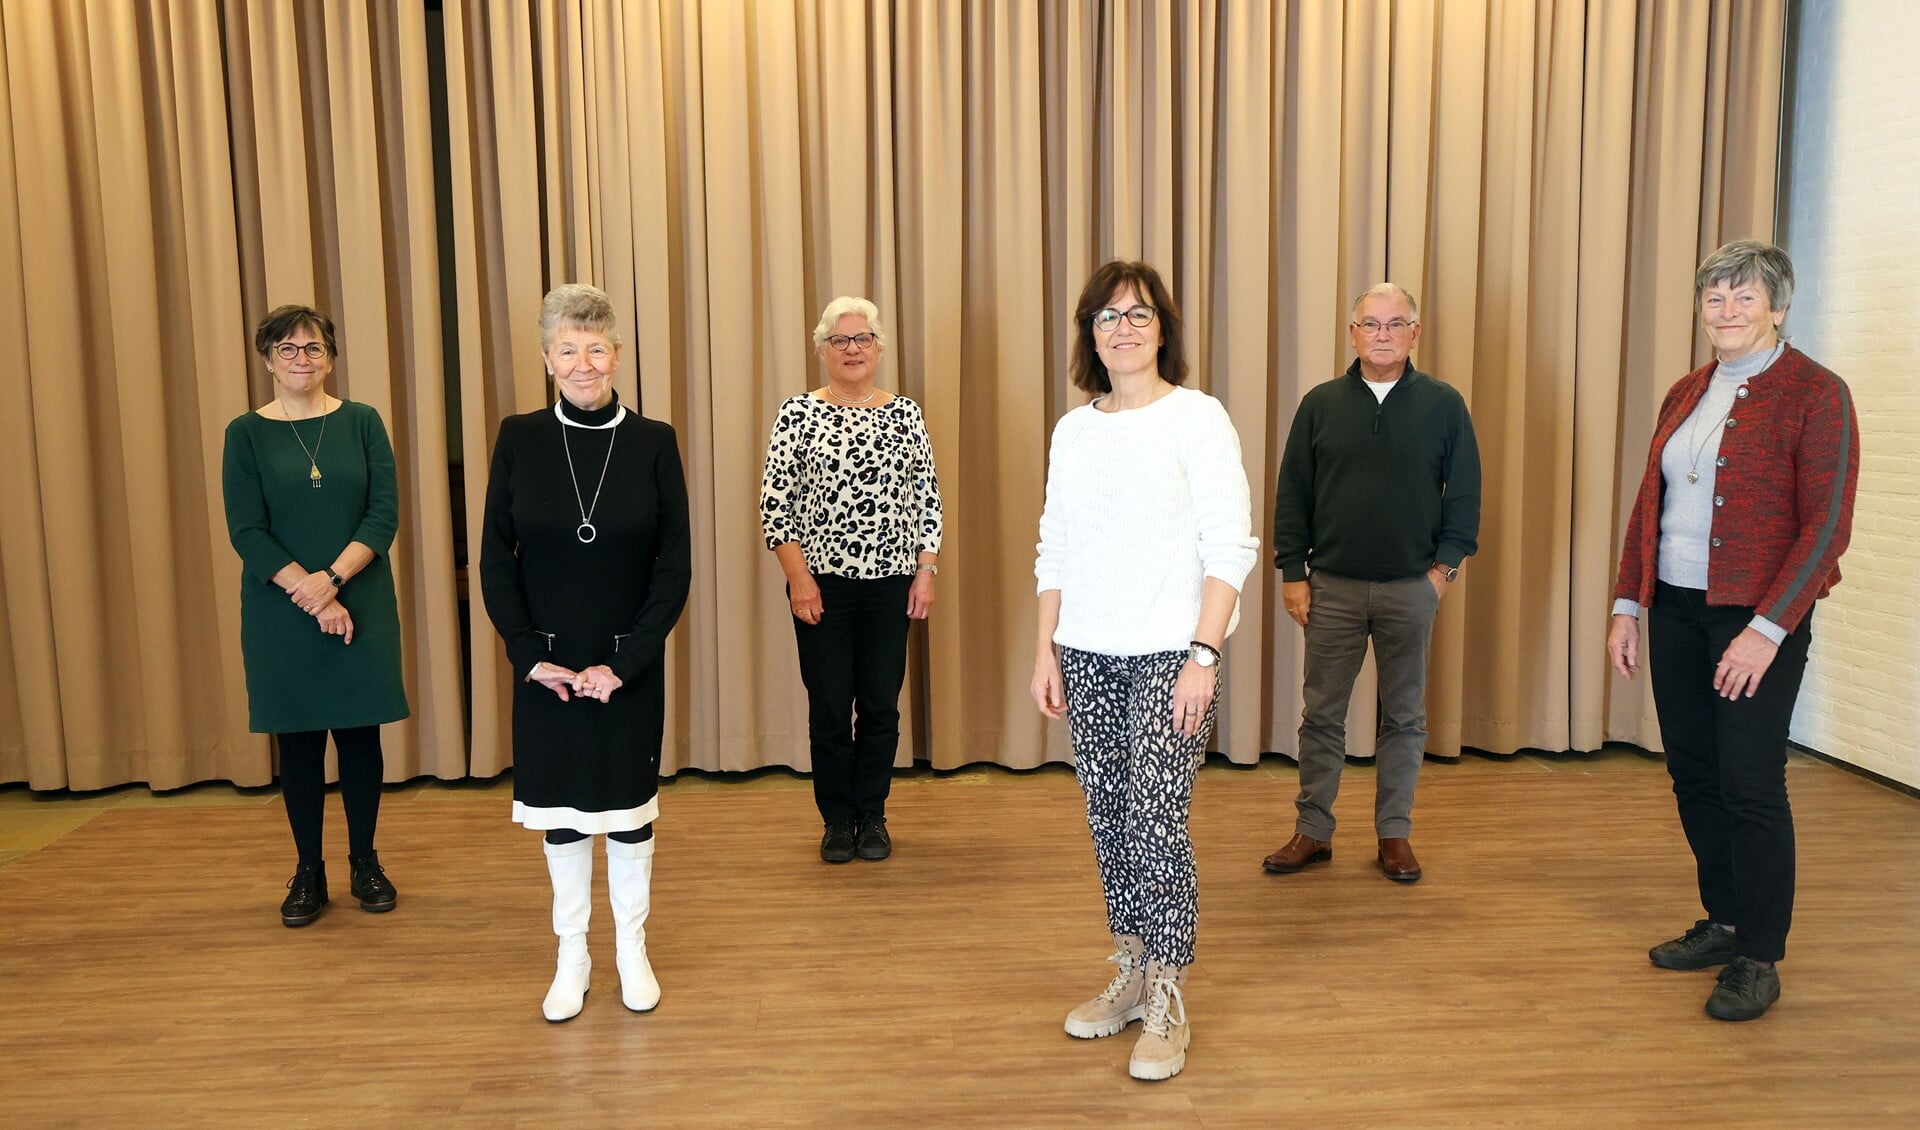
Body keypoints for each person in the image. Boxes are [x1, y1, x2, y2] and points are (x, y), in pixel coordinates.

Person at [1609, 240, 1858, 1022]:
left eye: (1744, 298)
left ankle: (1760, 953)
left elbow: (1826, 528)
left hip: (1756, 620)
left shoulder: (1817, 393)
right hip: (1678, 611)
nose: (1727, 311)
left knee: (1751, 785)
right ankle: (1722, 920)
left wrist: (1767, 629)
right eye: (1715, 297)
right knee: (1695, 774)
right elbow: (1651, 504)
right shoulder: (1687, 391)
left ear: (1779, 307)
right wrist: (1627, 603)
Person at [1031, 260, 1258, 1082]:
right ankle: (1129, 970)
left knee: (1158, 826)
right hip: (1086, 651)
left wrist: (1204, 654)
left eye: (1138, 315)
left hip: (1172, 654)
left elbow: (1231, 543)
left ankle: (1168, 992)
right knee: (1110, 821)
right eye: (1106, 316)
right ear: (1089, 333)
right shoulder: (1074, 429)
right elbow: (1054, 542)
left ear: (1163, 328)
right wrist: (1045, 648)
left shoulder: (1198, 419)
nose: (1122, 329)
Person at [479, 283, 692, 1022]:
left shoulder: (655, 441)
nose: (582, 363)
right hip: (548, 667)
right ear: (546, 358)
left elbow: (675, 567)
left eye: (595, 348)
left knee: (629, 810)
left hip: (625, 663)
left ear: (617, 355)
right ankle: (573, 954)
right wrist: (526, 654)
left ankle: (632, 948)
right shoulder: (519, 437)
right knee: (563, 811)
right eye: (567, 350)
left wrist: (626, 662)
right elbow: (494, 561)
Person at [1264, 283, 1481, 884]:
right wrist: (1292, 572)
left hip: (1412, 587)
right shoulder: (1320, 403)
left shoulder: (1444, 404)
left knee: (1405, 717)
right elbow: (1293, 495)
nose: (1382, 334)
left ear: (1415, 333)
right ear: (1352, 332)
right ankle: (1313, 831)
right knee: (1322, 715)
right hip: (1329, 586)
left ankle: (1394, 834)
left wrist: (1444, 571)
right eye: (1370, 323)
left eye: (1395, 323)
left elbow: (1464, 496)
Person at [222, 304, 409, 928]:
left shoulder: (362, 422)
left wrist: (331, 583)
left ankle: (365, 861)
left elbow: (383, 514)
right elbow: (247, 531)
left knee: (361, 738)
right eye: (288, 349)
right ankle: (308, 870)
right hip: (282, 611)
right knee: (298, 744)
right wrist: (307, 593)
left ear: (331, 355)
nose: (302, 359)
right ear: (269, 360)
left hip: (359, 597)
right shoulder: (244, 433)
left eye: (313, 348)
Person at [759, 296, 943, 864]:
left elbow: (927, 498)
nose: (853, 349)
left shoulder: (905, 413)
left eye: (862, 339)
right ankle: (837, 820)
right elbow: (775, 506)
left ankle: (873, 815)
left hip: (892, 584)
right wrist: (799, 581)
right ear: (821, 350)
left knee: (882, 707)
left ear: (879, 347)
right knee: (832, 708)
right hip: (823, 587)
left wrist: (926, 571)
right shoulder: (797, 413)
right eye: (840, 341)